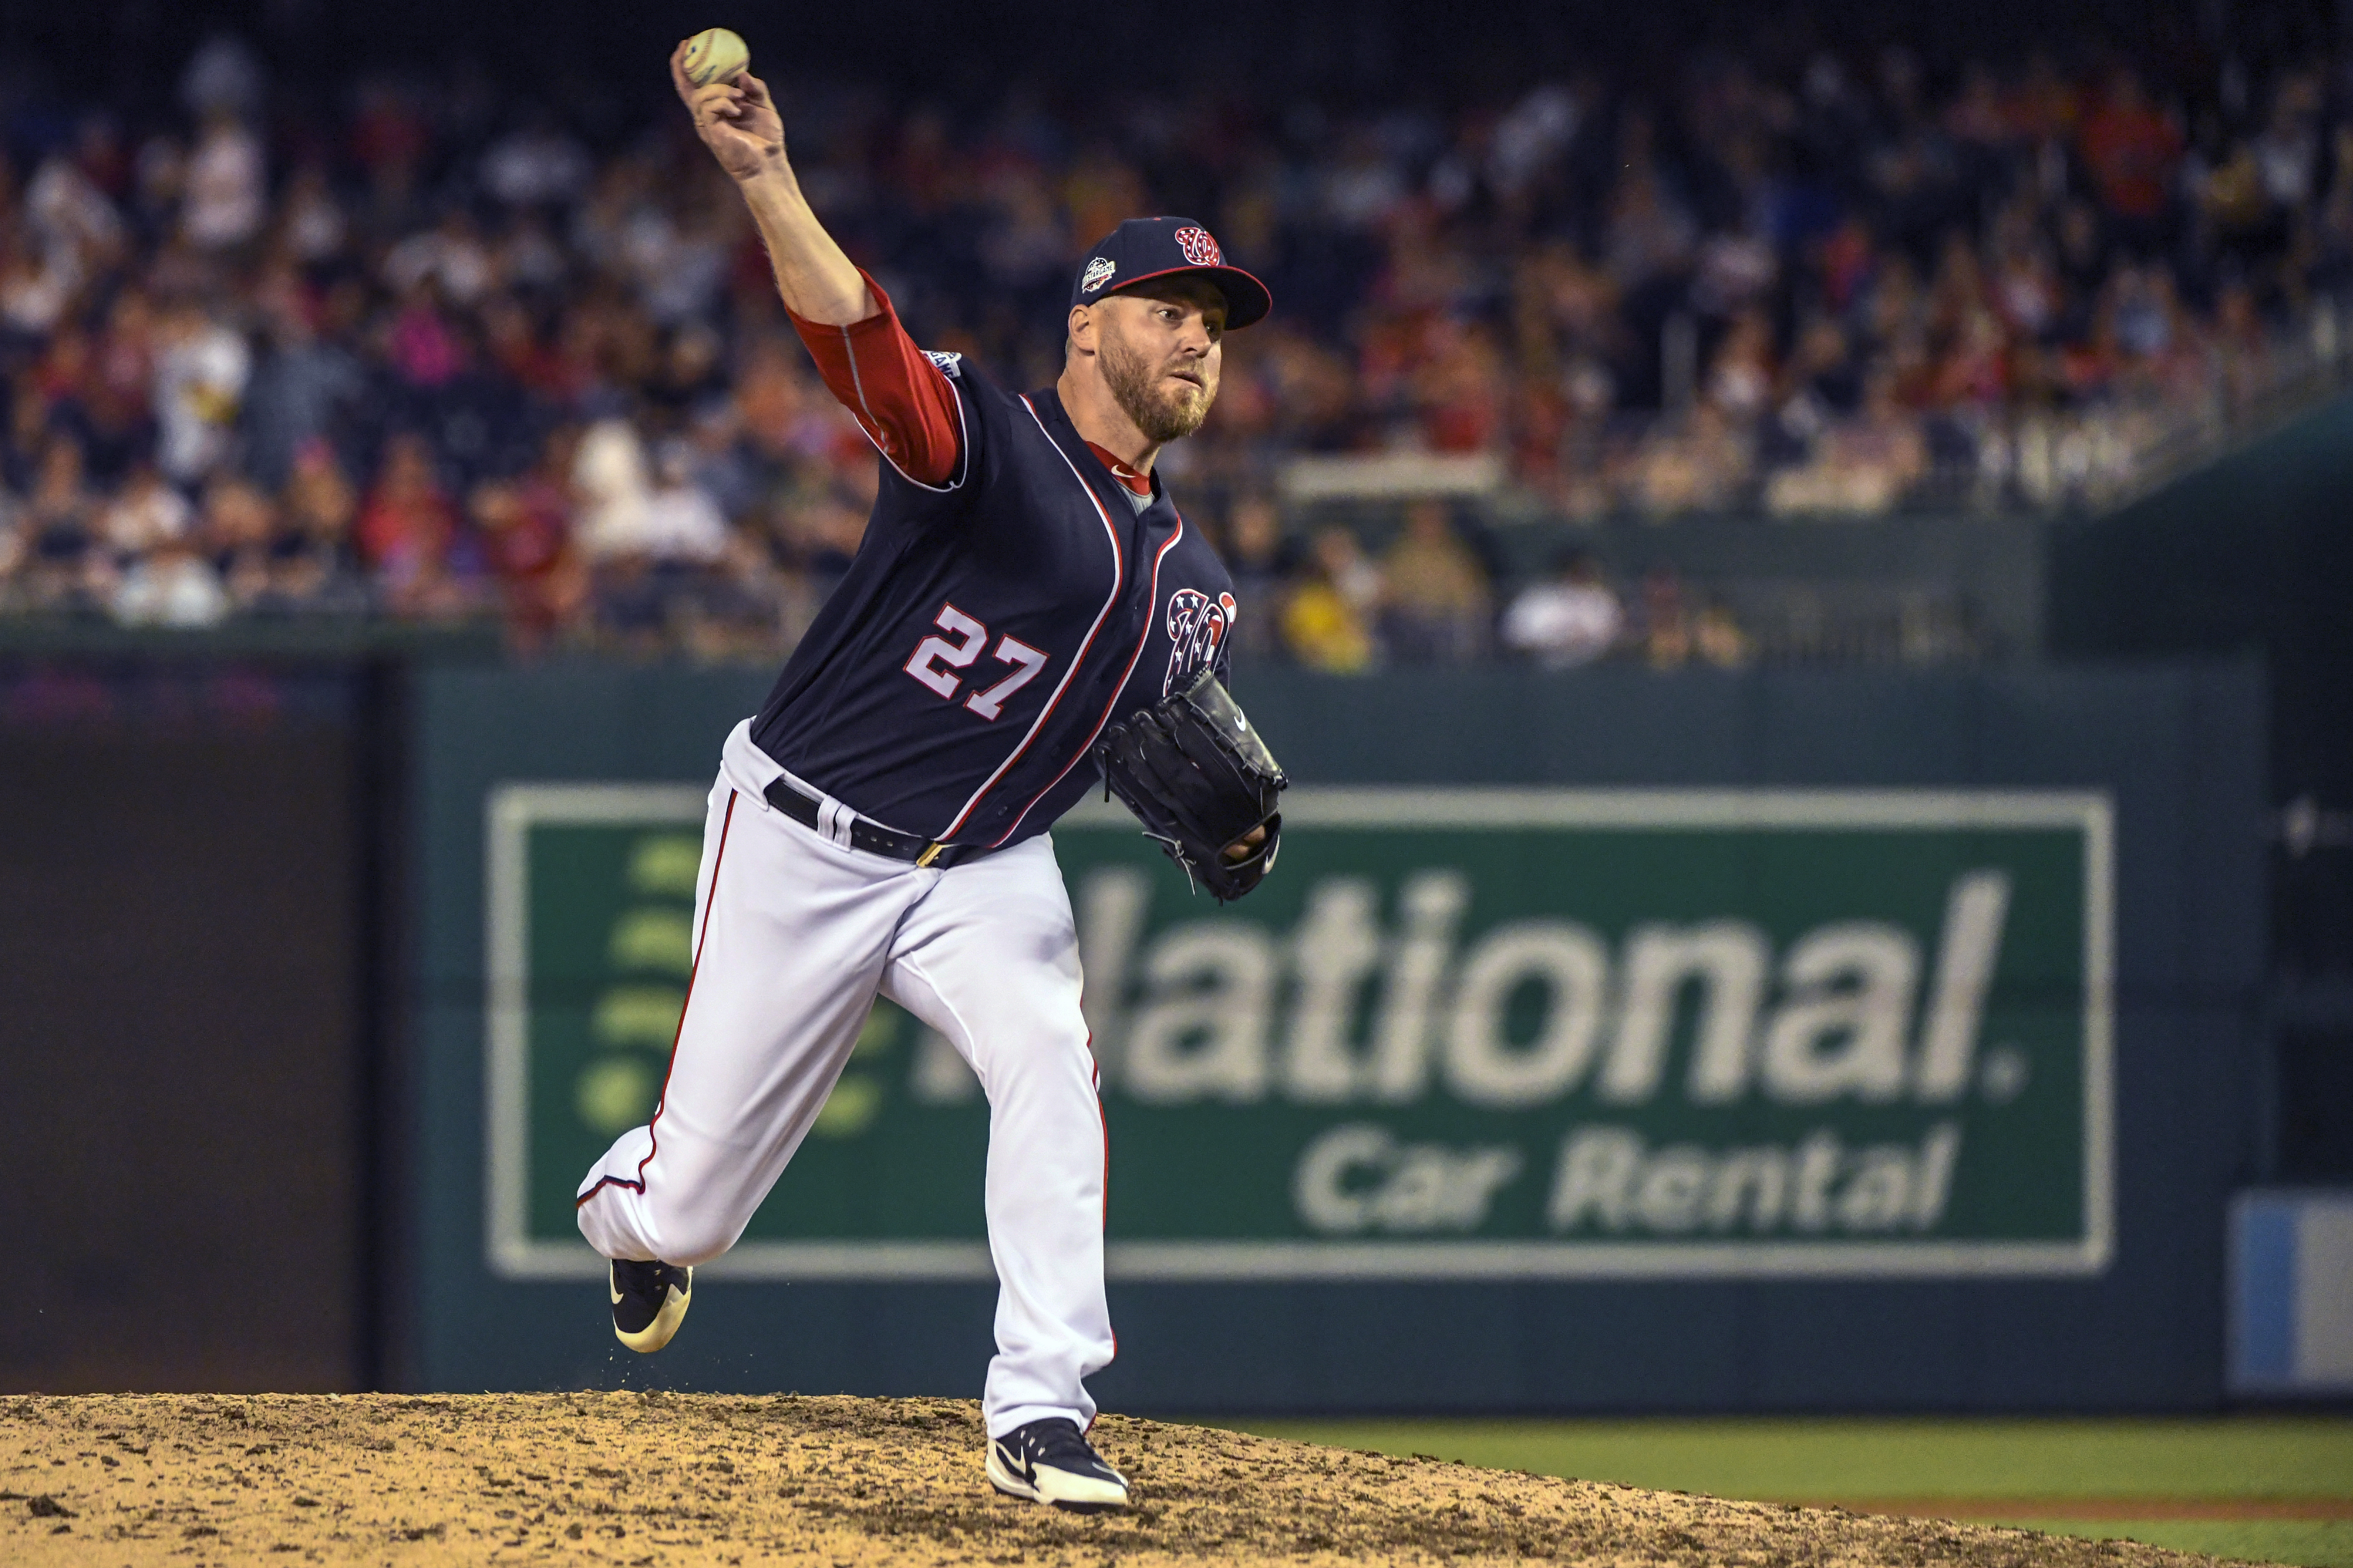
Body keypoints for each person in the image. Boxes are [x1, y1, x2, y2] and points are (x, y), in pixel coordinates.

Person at [572, 37, 1279, 1515]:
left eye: (1216, 321)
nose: (1200, 339)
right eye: (1171, 311)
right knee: (692, 1206)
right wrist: (766, 176)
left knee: (1047, 1054)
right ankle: (627, 1215)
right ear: (1088, 328)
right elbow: (858, 343)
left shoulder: (1196, 583)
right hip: (804, 832)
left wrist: (1235, 832)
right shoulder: (992, 442)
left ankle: (1042, 1403)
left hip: (985, 868)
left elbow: (1161, 753)